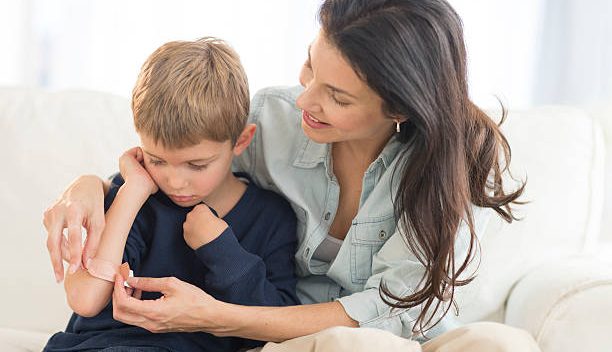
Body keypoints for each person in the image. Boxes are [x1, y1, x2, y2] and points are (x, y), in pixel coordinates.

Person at [43, 0, 541, 351]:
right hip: (301, 341)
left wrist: (214, 317)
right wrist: (89, 185)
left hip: (398, 338)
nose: (304, 99)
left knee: (504, 344)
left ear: (401, 108)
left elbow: (399, 316)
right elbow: (179, 165)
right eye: (310, 66)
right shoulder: (275, 120)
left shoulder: (450, 169)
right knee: (357, 349)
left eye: (337, 97)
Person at [43, 37, 299, 352]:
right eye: (157, 160)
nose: (175, 182)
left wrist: (221, 249)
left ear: (241, 141)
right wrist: (134, 190)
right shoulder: (135, 197)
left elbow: (275, 324)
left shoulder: (272, 218)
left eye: (197, 165)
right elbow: (85, 299)